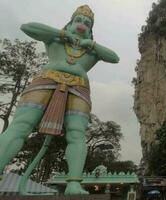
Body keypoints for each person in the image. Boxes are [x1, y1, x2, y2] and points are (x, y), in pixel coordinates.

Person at [0, 5, 119, 195]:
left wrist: (92, 45)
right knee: (21, 125)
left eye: (87, 24)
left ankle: (73, 183)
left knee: (77, 133)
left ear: (90, 31)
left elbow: (115, 58)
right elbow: (27, 27)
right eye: (78, 21)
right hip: (46, 80)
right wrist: (62, 34)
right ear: (70, 24)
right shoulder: (55, 39)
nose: (82, 26)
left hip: (79, 88)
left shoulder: (91, 51)